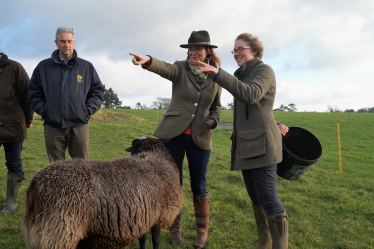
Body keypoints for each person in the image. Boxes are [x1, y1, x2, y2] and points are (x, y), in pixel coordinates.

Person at [197, 33, 290, 248]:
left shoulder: (263, 70)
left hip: (263, 147)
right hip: (247, 146)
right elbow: (258, 109)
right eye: (234, 50)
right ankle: (264, 245)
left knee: (269, 199)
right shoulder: (242, 74)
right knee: (256, 201)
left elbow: (252, 95)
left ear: (255, 51)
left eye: (241, 49)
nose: (236, 53)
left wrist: (219, 73)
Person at [130, 30, 222, 248]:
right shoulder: (180, 69)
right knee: (174, 183)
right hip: (174, 136)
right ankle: (174, 228)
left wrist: (213, 121)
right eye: (190, 49)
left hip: (201, 138)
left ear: (207, 51)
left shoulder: (216, 75)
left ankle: (202, 233)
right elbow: (165, 68)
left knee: (199, 184)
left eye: (197, 49)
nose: (193, 53)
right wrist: (148, 61)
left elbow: (217, 106)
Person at [28, 27, 104, 162]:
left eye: (69, 41)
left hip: (79, 125)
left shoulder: (87, 67)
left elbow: (97, 92)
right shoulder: (43, 67)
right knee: (56, 170)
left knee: (82, 169)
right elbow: (34, 93)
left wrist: (87, 110)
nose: (66, 45)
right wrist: (44, 111)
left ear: (74, 43)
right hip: (53, 126)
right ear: (56, 43)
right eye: (62, 41)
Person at [0, 52, 34, 214]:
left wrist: (28, 119)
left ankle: (11, 204)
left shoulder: (14, 67)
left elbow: (28, 95)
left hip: (13, 124)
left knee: (13, 162)